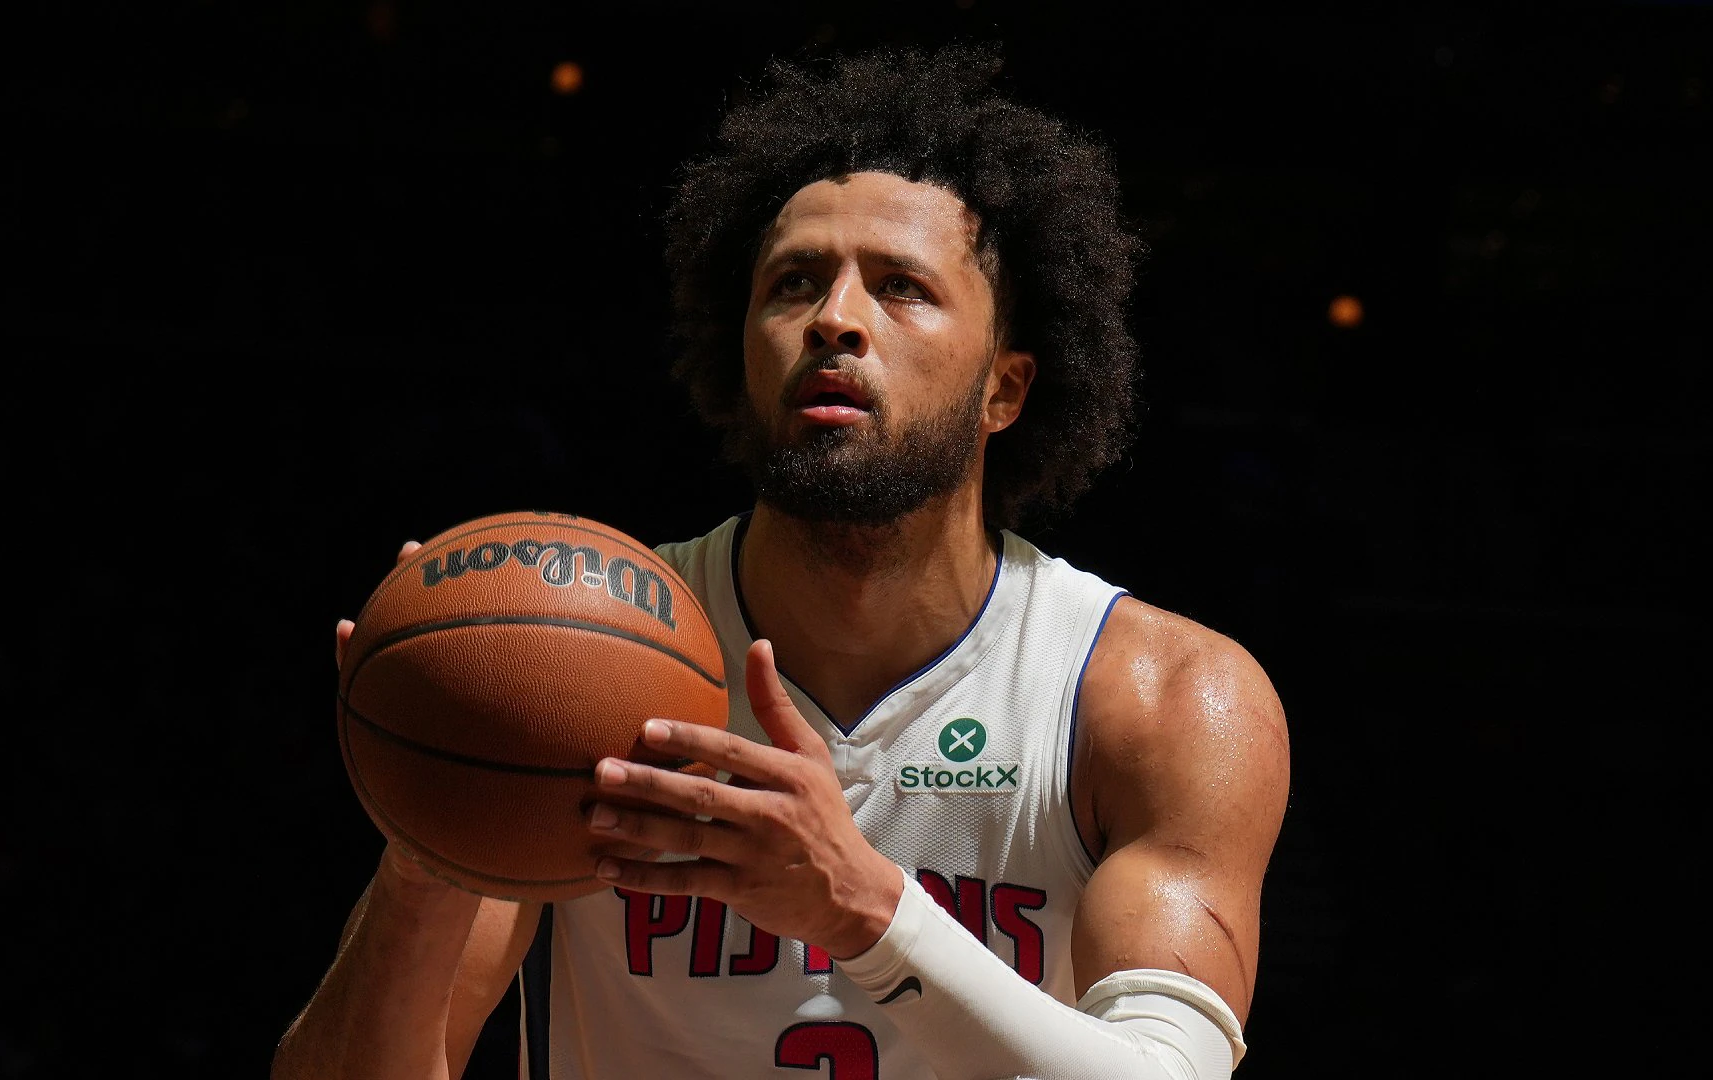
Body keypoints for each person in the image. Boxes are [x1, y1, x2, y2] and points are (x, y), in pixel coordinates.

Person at [272, 41, 1290, 1080]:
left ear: (1005, 388)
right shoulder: (576, 657)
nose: (834, 320)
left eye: (901, 287)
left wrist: (865, 912)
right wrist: (429, 837)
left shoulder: (1159, 700)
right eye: (794, 283)